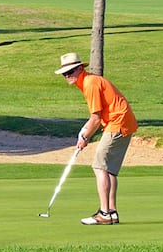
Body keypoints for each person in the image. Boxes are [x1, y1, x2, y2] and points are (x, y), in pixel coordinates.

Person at [56, 52, 137, 226]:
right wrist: (83, 131)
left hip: (117, 123)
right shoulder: (88, 81)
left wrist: (85, 137)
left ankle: (104, 213)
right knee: (109, 170)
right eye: (64, 74)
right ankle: (112, 212)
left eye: (70, 72)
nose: (67, 76)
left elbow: (96, 118)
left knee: (99, 167)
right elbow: (95, 117)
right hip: (124, 122)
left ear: (80, 69)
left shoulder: (90, 83)